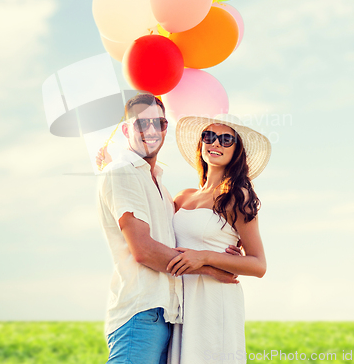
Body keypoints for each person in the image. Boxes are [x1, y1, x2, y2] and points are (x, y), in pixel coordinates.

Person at [97, 94, 241, 364]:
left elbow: (189, 232)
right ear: (127, 130)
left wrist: (223, 243)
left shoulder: (161, 188)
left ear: (166, 128)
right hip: (140, 313)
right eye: (142, 124)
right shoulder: (123, 172)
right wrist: (211, 269)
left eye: (159, 123)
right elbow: (144, 251)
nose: (151, 131)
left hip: (167, 315)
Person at [166, 113, 271, 364]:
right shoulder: (183, 197)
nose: (215, 143)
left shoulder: (237, 196)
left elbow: (258, 265)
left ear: (237, 151)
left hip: (214, 300)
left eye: (226, 139)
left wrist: (205, 258)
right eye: (209, 136)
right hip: (179, 298)